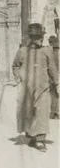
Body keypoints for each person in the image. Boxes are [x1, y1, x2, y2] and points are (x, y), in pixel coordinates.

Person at [12, 23, 58, 151]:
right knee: (29, 113)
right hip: (27, 89)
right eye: (36, 37)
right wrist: (18, 77)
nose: (39, 40)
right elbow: (15, 66)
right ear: (30, 38)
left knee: (42, 113)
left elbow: (53, 69)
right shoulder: (22, 51)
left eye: (40, 37)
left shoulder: (47, 51)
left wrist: (57, 83)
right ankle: (32, 136)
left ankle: (40, 140)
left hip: (43, 89)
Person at [49, 35, 59, 119]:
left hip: (53, 77)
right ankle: (55, 112)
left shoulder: (50, 53)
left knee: (53, 94)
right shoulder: (55, 52)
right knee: (55, 94)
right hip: (55, 76)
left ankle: (54, 112)